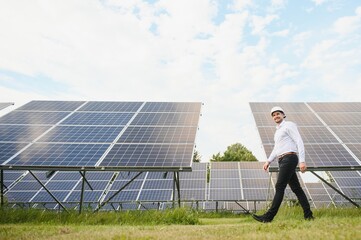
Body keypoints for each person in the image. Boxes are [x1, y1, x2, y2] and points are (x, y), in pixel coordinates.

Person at [252, 106, 314, 223]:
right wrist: (268, 161)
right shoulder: (278, 132)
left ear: (283, 115)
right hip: (282, 160)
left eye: (278, 114)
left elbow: (299, 141)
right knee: (297, 189)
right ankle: (308, 215)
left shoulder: (289, 125)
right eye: (274, 115)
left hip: (289, 158)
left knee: (280, 187)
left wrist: (302, 160)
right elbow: (276, 148)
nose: (276, 116)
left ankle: (268, 216)